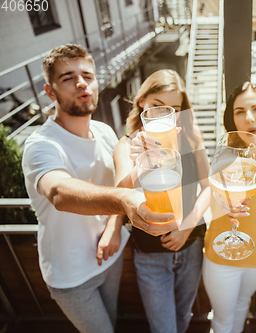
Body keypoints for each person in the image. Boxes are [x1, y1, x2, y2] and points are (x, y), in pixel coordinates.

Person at [21, 44, 178, 333]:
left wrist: (115, 225)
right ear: (50, 92)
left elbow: (124, 183)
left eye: (88, 76)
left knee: (114, 323)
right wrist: (124, 200)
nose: (81, 83)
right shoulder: (41, 145)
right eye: (68, 77)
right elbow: (58, 192)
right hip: (71, 274)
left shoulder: (105, 131)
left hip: (111, 257)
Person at [113, 69, 211, 333]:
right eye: (158, 106)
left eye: (174, 109)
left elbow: (208, 187)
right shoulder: (127, 145)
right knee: (164, 328)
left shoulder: (190, 136)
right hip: (150, 253)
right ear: (142, 101)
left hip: (190, 245)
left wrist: (187, 227)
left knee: (184, 317)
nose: (166, 114)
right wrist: (143, 162)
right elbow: (121, 193)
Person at [202, 82, 256, 333]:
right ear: (232, 118)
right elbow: (215, 198)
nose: (249, 117)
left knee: (242, 306)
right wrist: (223, 204)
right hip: (224, 254)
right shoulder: (226, 155)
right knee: (222, 320)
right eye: (239, 111)